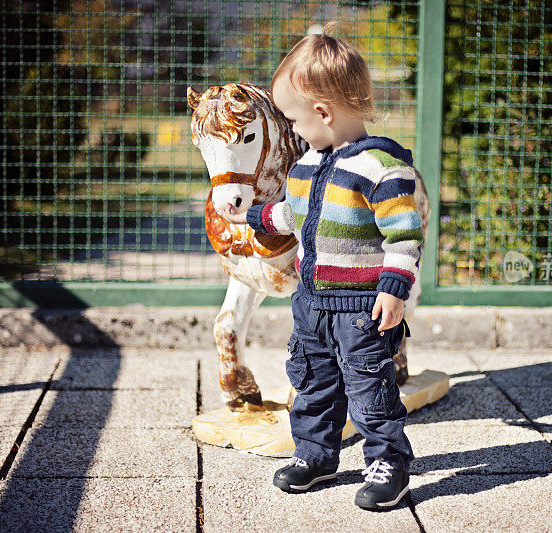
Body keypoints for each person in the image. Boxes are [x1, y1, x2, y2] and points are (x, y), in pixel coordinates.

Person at [218, 23, 423, 511]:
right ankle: (315, 455)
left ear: (323, 112)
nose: (291, 129)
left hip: (361, 310)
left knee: (370, 387)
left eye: (292, 119)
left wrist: (394, 288)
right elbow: (293, 215)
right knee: (313, 383)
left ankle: (388, 462)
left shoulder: (381, 168)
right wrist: (251, 216)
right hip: (310, 304)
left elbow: (404, 233)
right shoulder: (306, 167)